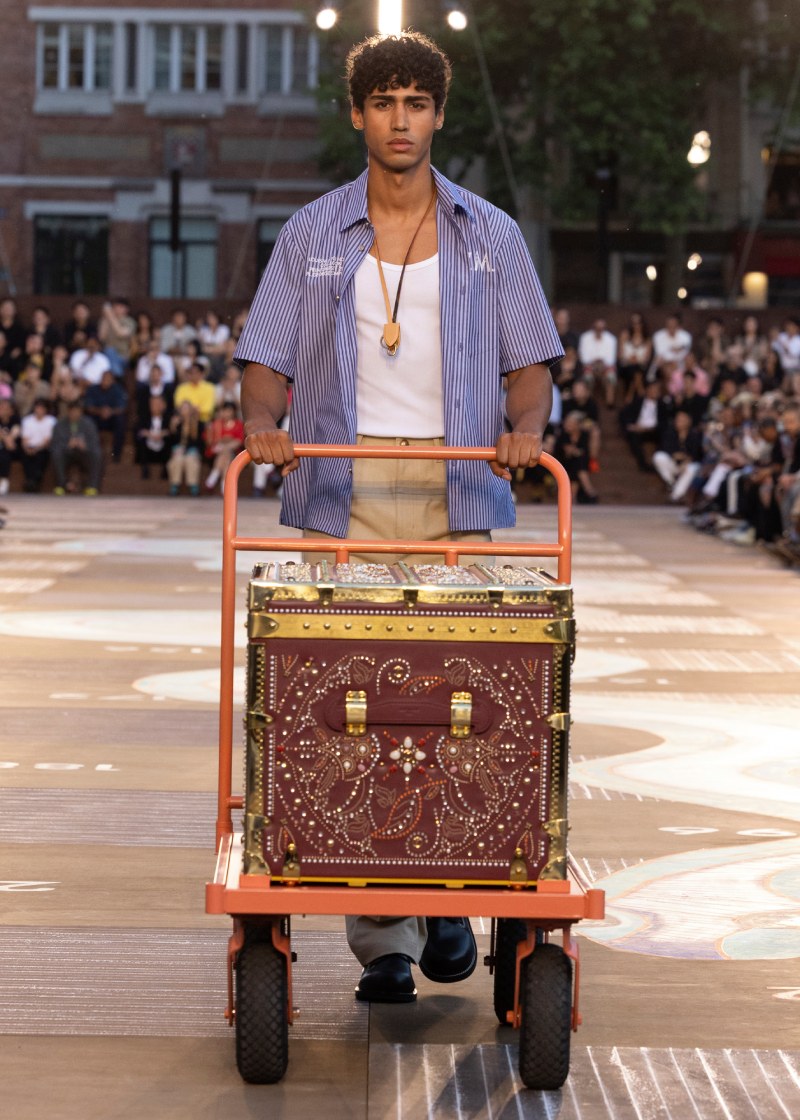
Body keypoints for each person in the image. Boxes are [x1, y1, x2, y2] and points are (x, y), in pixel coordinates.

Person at [235, 32, 562, 1004]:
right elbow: (265, 359)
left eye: (417, 102)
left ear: (439, 115)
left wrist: (523, 432)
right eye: (383, 102)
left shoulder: (489, 234)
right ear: (357, 114)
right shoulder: (311, 234)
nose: (400, 120)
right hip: (338, 484)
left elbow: (529, 365)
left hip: (457, 486)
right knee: (343, 699)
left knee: (457, 691)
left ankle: (450, 899)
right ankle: (383, 936)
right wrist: (263, 424)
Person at [50, 400, 103, 495]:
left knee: (96, 454)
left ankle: (92, 486)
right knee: (56, 453)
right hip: (67, 454)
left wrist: (85, 446)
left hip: (84, 453)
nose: (74, 414)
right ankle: (61, 485)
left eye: (77, 411)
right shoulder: (60, 424)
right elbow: (55, 443)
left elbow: (94, 442)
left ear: (81, 412)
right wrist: (68, 445)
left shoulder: (89, 424)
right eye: (72, 411)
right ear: (68, 411)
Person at [84, 368, 129, 461]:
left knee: (120, 421)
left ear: (112, 381)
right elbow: (89, 407)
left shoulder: (118, 389)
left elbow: (122, 407)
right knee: (88, 420)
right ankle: (91, 453)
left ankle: (116, 455)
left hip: (111, 419)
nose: (106, 381)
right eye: (104, 379)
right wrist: (101, 411)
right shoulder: (93, 389)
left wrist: (110, 412)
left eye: (108, 379)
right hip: (97, 418)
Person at [577, 317, 617, 407]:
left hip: (605, 367)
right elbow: (583, 357)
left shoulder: (611, 339)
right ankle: (589, 400)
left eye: (601, 328)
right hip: (590, 366)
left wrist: (601, 365)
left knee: (611, 377)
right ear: (593, 327)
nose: (599, 330)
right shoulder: (585, 337)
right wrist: (594, 363)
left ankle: (610, 402)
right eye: (597, 328)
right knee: (588, 377)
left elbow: (611, 359)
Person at [19, 399, 56, 492]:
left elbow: (48, 440)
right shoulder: (27, 420)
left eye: (41, 408)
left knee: (41, 457)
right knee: (24, 456)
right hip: (29, 447)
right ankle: (30, 481)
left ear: (46, 409)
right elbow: (24, 439)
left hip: (43, 448)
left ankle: (34, 482)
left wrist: (36, 449)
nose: (39, 410)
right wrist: (26, 448)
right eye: (37, 408)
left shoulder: (51, 421)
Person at [0, 398, 20, 495]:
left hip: (14, 449)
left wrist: (5, 438)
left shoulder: (16, 419)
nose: (3, 410)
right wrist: (5, 439)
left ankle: (4, 480)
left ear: (11, 410)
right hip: (4, 447)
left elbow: (14, 435)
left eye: (5, 408)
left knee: (5, 453)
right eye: (1, 407)